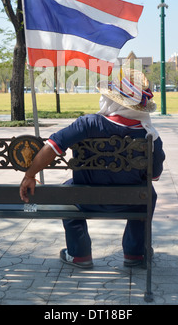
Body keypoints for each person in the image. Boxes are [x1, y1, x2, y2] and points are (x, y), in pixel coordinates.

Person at [19, 69, 165, 269]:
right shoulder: (151, 137)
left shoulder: (88, 124)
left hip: (84, 199)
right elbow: (155, 175)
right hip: (130, 201)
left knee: (65, 193)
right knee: (149, 194)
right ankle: (135, 253)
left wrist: (30, 174)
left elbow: (53, 146)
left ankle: (79, 255)